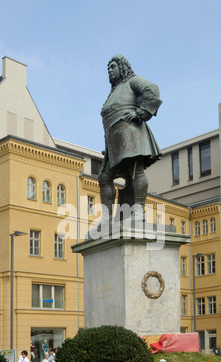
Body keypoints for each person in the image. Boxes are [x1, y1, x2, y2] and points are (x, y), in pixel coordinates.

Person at [94, 54, 162, 234]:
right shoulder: (114, 91)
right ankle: (107, 219)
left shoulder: (132, 81)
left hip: (130, 134)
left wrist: (141, 113)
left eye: (113, 67)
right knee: (104, 177)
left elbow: (152, 90)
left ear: (122, 67)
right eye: (108, 68)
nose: (110, 70)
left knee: (135, 170)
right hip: (113, 141)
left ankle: (139, 212)